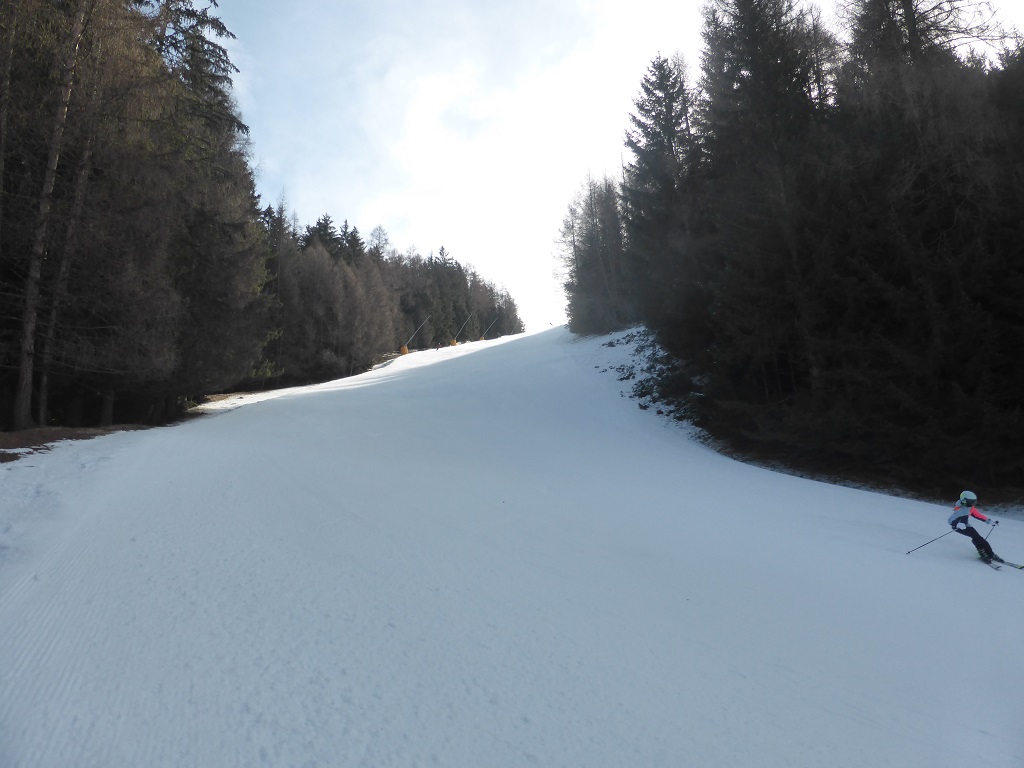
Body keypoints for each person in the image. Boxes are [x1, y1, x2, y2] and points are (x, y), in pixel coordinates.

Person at [948, 490, 1002, 563]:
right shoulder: (960, 509)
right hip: (958, 527)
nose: (972, 504)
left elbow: (978, 516)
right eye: (970, 502)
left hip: (966, 525)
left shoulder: (970, 508)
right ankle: (989, 554)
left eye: (973, 501)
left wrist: (990, 521)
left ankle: (986, 553)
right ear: (964, 501)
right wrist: (957, 524)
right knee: (978, 538)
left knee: (977, 538)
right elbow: (950, 520)